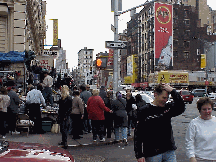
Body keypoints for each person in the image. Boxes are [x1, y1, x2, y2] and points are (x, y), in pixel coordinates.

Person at [134, 83, 185, 162]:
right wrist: (139, 155)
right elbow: (138, 133)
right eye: (164, 97)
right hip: (152, 153)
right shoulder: (144, 110)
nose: (165, 100)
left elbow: (181, 107)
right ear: (155, 95)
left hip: (169, 151)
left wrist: (173, 91)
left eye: (167, 98)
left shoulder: (168, 108)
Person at [185, 97, 216, 162]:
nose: (207, 111)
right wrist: (191, 157)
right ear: (199, 110)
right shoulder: (194, 123)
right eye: (204, 109)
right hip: (200, 158)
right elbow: (189, 142)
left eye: (209, 109)